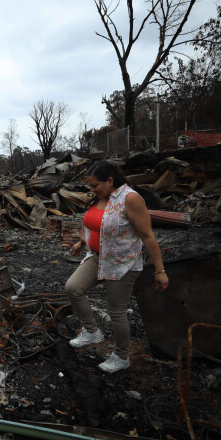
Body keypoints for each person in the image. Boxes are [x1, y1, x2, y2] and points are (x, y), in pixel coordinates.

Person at [66, 160, 169, 373]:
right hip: (96, 257)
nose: (92, 190)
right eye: (90, 186)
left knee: (117, 312)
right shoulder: (99, 198)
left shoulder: (129, 198)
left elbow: (147, 235)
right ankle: (92, 331)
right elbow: (95, 224)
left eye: (95, 186)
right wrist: (81, 242)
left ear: (110, 180)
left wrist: (160, 271)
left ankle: (122, 356)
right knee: (73, 287)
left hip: (122, 263)